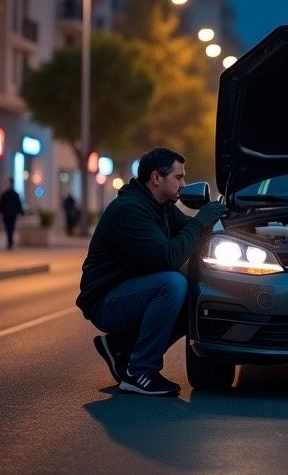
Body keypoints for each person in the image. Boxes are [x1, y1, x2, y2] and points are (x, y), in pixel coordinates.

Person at [76, 146, 227, 397]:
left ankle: (120, 347)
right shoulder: (130, 210)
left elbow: (189, 230)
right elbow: (168, 258)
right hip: (106, 301)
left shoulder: (162, 205)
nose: (183, 184)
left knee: (194, 291)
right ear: (157, 178)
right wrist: (202, 220)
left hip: (130, 291)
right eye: (178, 178)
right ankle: (140, 372)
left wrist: (222, 222)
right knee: (173, 284)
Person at [0, 178, 25, 250]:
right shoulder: (4, 195)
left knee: (11, 228)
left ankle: (10, 241)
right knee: (8, 228)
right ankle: (10, 241)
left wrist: (21, 212)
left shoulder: (15, 195)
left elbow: (18, 204)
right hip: (6, 214)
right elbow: (1, 204)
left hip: (12, 215)